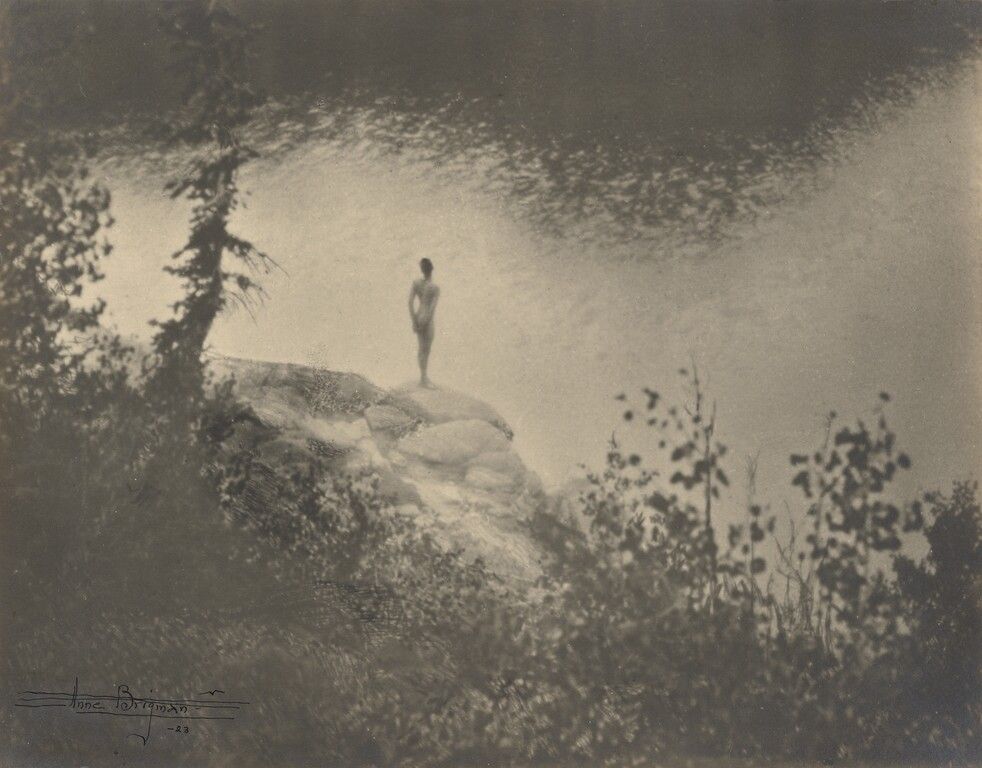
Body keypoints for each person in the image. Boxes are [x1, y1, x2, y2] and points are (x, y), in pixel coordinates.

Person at [408, 257, 440, 387]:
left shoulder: (416, 283)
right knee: (426, 349)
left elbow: (410, 303)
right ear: (431, 270)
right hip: (427, 318)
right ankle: (424, 379)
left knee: (420, 348)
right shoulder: (435, 287)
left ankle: (423, 376)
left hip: (418, 315)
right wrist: (426, 322)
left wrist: (414, 320)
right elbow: (432, 309)